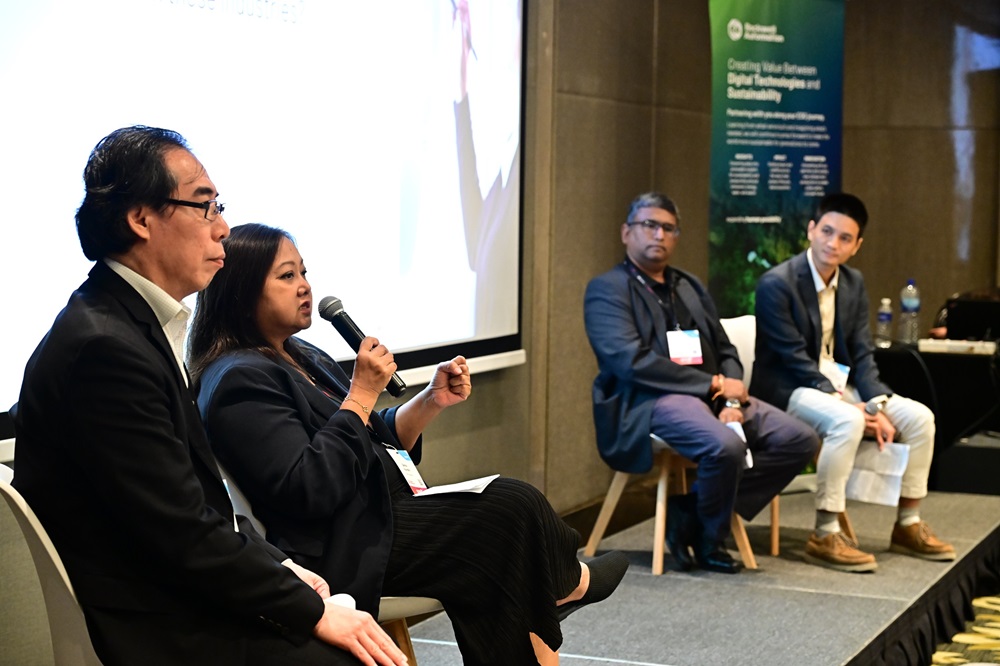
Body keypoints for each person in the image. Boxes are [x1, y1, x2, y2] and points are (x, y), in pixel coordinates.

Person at [11, 126, 406, 666]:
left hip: (181, 589)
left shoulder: (128, 324)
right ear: (141, 219)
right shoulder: (105, 347)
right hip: (162, 621)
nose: (222, 228)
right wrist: (308, 608)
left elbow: (192, 509)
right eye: (204, 206)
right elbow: (181, 532)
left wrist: (281, 568)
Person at [189, 223, 629, 666]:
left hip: (378, 511)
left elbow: (363, 433)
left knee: (506, 513)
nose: (305, 287)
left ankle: (556, 584)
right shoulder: (237, 379)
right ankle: (563, 582)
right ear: (240, 290)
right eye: (287, 277)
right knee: (504, 517)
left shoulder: (299, 353)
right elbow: (308, 487)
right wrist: (361, 392)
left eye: (304, 272)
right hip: (339, 541)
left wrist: (429, 402)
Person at [583, 192, 819, 574]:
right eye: (649, 225)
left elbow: (725, 348)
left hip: (712, 397)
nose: (658, 234)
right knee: (723, 445)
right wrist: (712, 385)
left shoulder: (688, 285)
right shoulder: (607, 289)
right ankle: (712, 535)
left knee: (800, 439)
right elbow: (629, 361)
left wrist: (733, 398)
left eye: (668, 228)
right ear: (627, 233)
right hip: (646, 400)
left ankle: (691, 509)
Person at [751, 192, 955, 572]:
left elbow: (862, 354)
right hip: (788, 390)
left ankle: (907, 524)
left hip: (840, 386)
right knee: (848, 420)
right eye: (827, 231)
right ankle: (825, 532)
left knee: (921, 418)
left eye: (845, 238)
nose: (833, 243)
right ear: (811, 230)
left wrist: (875, 403)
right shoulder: (776, 283)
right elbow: (795, 360)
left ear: (857, 245)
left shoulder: (853, 282)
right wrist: (854, 408)